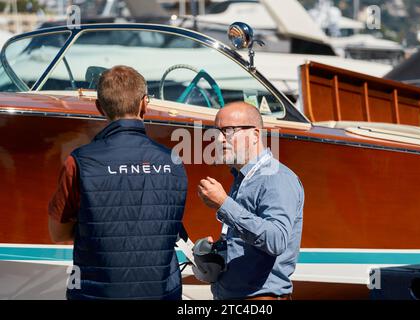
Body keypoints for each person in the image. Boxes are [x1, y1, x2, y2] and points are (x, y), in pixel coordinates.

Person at [48, 65, 187, 300]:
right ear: (145, 103)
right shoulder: (173, 161)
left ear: (99, 107)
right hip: (162, 292)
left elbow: (58, 233)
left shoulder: (80, 161)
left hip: (95, 294)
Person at [197, 102, 304, 300]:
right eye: (216, 132)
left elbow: (276, 240)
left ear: (255, 135)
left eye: (228, 130)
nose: (219, 139)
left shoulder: (276, 177)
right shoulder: (244, 178)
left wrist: (223, 203)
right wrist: (218, 251)